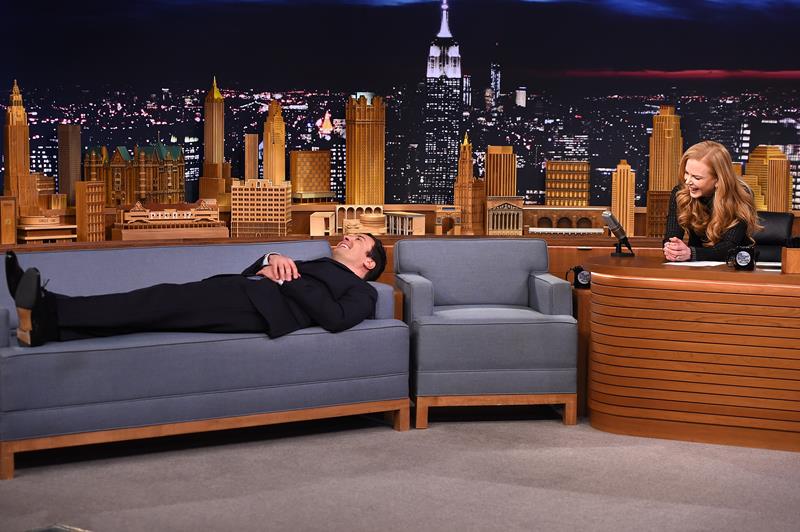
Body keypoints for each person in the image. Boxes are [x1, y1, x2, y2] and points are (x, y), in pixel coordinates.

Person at [6, 233, 386, 347]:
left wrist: (290, 278)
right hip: (241, 291)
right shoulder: (317, 263)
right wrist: (272, 257)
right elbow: (257, 270)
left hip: (257, 309)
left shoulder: (363, 292)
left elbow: (336, 319)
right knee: (151, 313)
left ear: (369, 263)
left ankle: (49, 308)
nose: (348, 237)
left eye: (359, 240)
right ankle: (46, 328)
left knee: (156, 301)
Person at [663, 140, 761, 262]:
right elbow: (671, 237)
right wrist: (672, 249)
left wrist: (691, 253)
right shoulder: (681, 192)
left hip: (734, 265)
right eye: (686, 173)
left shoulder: (740, 196)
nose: (687, 181)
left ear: (718, 179)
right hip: (695, 266)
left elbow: (729, 247)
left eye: (696, 177)